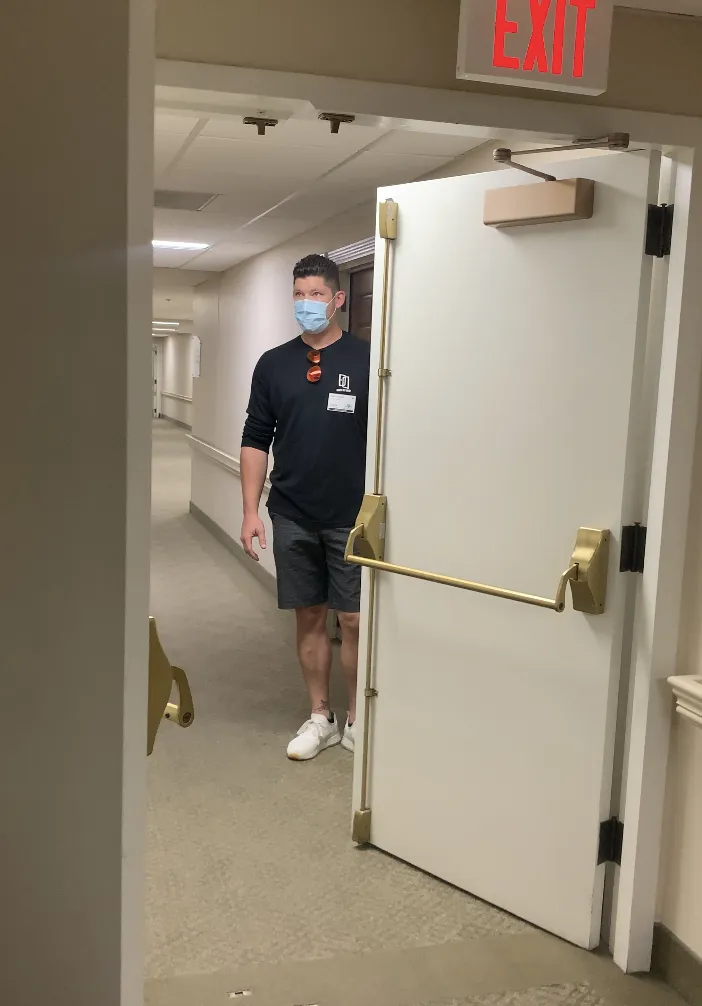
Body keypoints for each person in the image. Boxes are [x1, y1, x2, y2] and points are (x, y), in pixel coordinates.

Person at [240, 254, 370, 761]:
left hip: (352, 517)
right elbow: (255, 438)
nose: (306, 303)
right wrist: (251, 511)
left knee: (354, 619)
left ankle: (358, 718)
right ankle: (321, 717)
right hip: (292, 511)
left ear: (337, 299)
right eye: (299, 294)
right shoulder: (274, 364)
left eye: (316, 294)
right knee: (310, 616)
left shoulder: (366, 360)